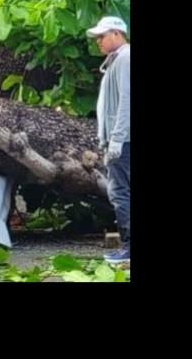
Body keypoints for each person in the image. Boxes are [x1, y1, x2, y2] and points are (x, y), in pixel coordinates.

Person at [86, 16, 131, 264]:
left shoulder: (124, 58)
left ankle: (128, 247)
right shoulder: (117, 60)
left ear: (117, 34)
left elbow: (126, 100)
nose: (98, 42)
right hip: (121, 138)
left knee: (120, 192)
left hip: (123, 140)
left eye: (102, 36)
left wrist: (116, 139)